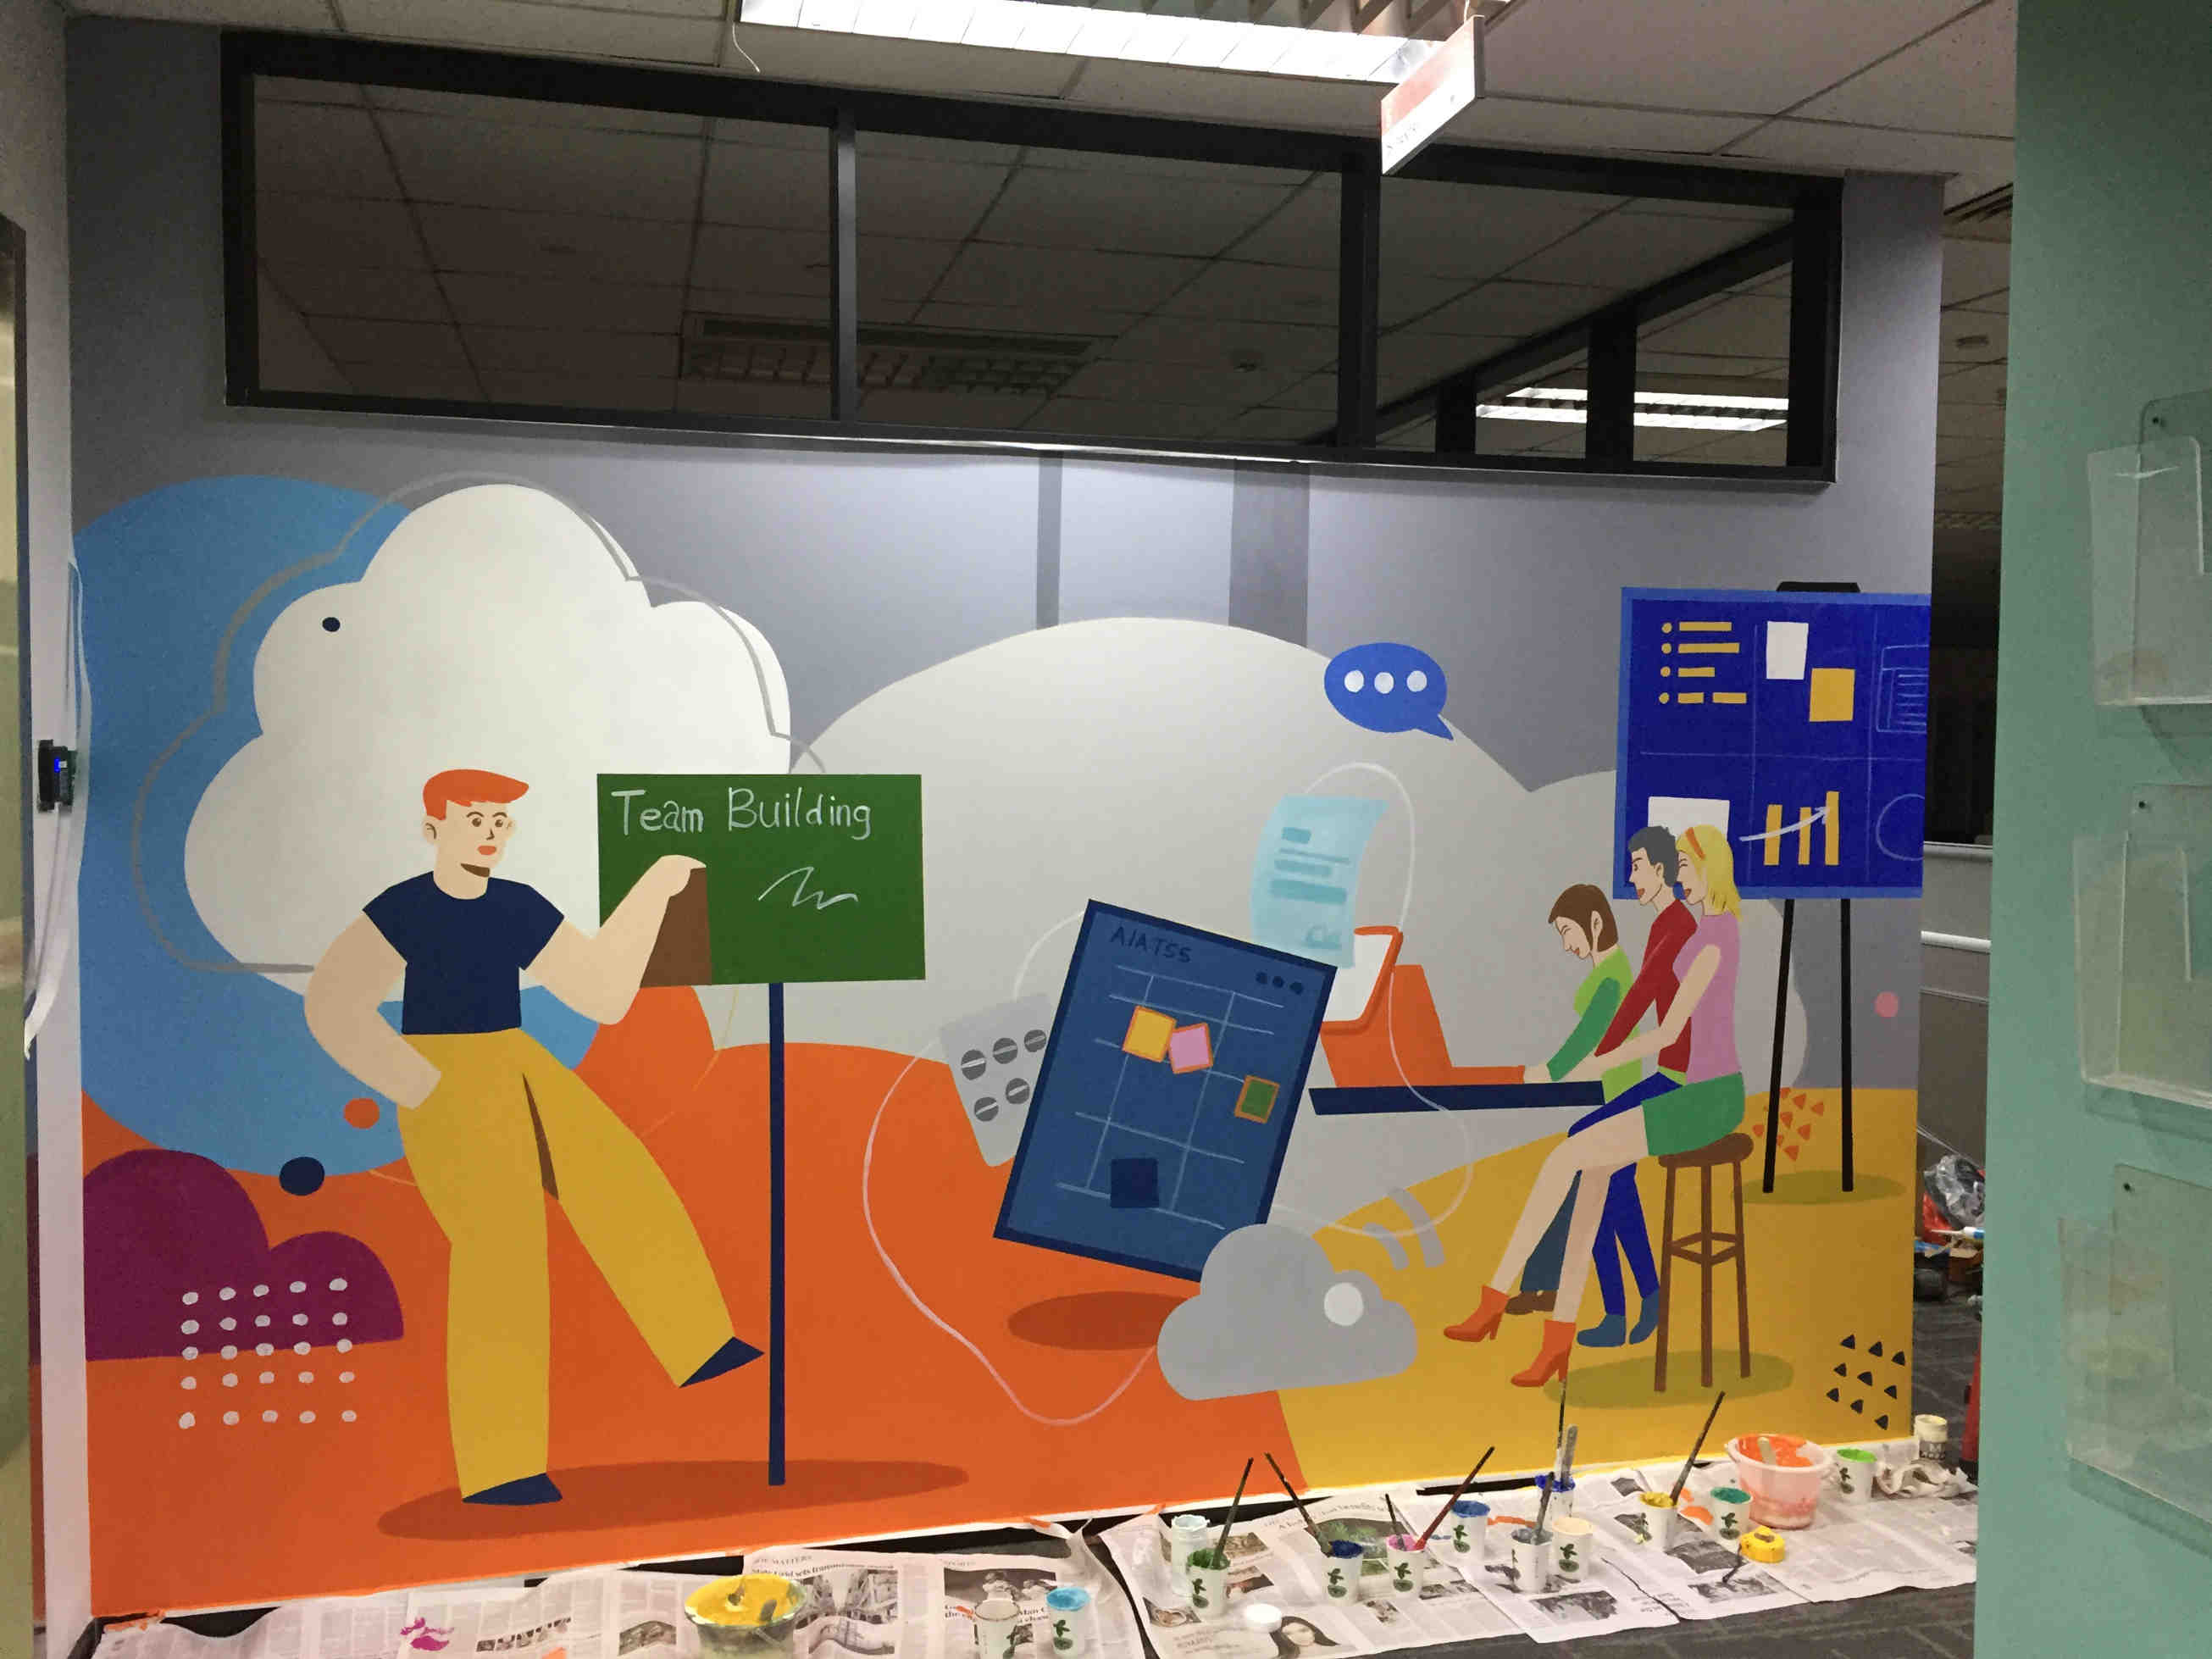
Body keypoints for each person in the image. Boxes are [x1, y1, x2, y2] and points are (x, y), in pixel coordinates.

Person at [306, 768, 759, 1505]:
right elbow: (331, 1001)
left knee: (619, 1175)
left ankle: (698, 1344)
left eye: (500, 820)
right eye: (474, 818)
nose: (490, 832)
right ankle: (501, 1467)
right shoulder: (403, 908)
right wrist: (416, 1082)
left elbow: (601, 993)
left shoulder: (515, 905)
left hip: (517, 1057)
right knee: (501, 1253)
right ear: (433, 829)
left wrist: (654, 888)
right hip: (446, 1074)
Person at [1441, 824, 1746, 1389]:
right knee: (1593, 1177)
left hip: (1705, 1097)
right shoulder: (1705, 929)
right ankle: (1557, 1339)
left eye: (1684, 864)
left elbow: (1666, 1029)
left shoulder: (1709, 937)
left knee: (1566, 1157)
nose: (1680, 875)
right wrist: (1597, 1060)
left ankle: (1494, 1299)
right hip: (1690, 1088)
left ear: (1707, 867)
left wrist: (1596, 1061)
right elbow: (1654, 1011)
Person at [1500, 885, 1647, 1328]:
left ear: (1595, 923)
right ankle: (1617, 1302)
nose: (1567, 944)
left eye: (1568, 931)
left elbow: (1588, 1036)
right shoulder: (1613, 972)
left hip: (1620, 1097)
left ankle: (1615, 1301)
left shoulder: (1613, 976)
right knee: (1611, 1206)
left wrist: (1547, 1072)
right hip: (1615, 1092)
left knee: (1601, 1199)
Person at [1272, 1617, 1340, 1658]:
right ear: (1282, 1638)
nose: (1299, 1637)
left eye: (1303, 1630)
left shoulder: (1340, 1650)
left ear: (1313, 1631)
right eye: (1288, 1634)